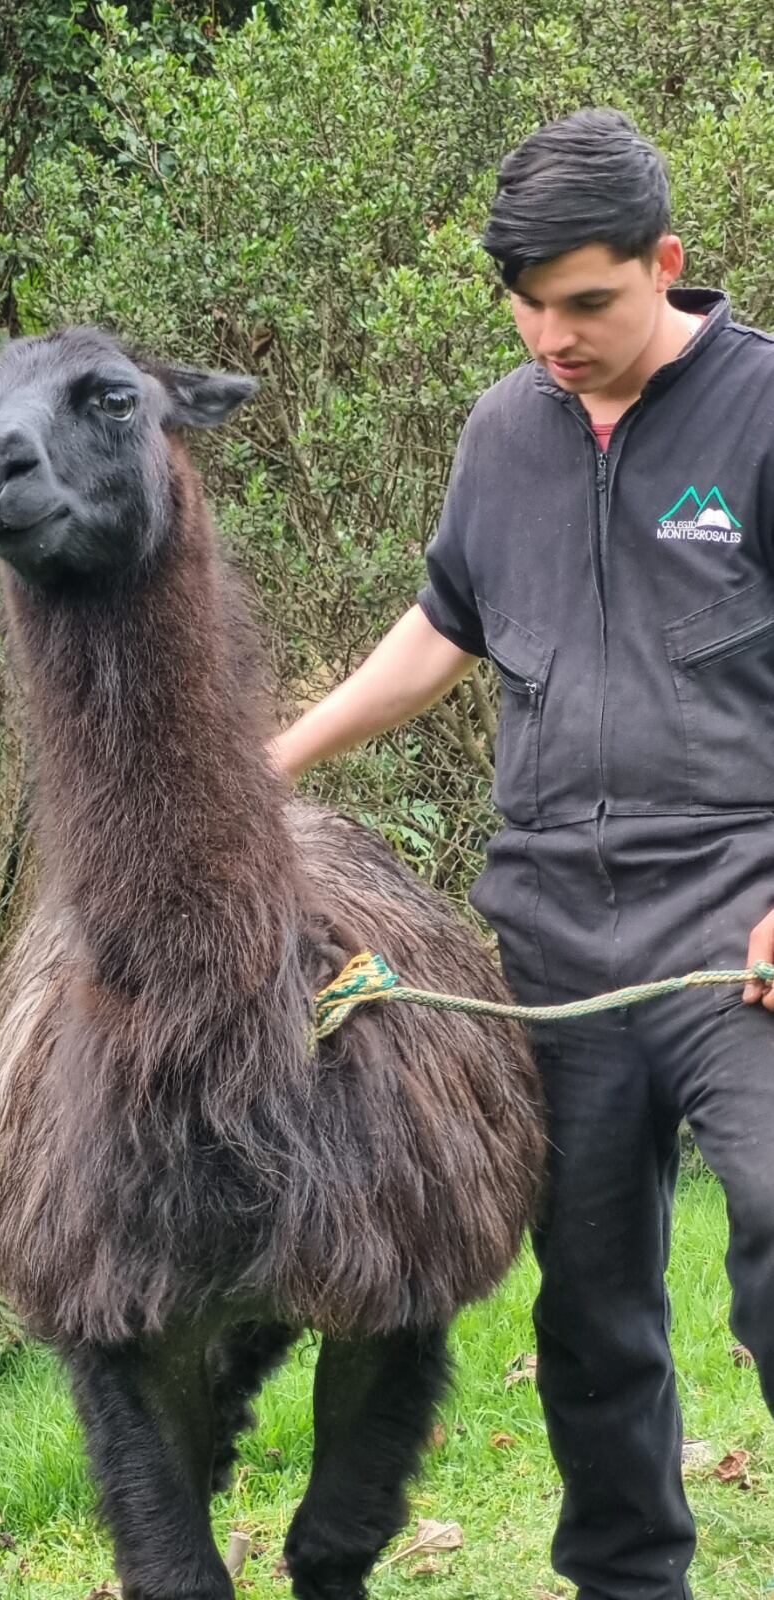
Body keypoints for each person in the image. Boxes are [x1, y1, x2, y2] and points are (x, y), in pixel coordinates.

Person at [268, 108, 774, 1600]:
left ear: (666, 267)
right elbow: (441, 633)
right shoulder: (505, 432)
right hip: (552, 938)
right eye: (529, 304)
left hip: (738, 918)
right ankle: (629, 1580)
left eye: (588, 304)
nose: (554, 337)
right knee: (593, 1306)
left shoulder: (761, 412)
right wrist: (268, 762)